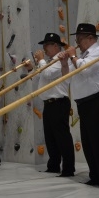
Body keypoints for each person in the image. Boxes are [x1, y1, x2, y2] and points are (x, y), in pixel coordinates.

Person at [62, 23, 99, 189]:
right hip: (84, 102)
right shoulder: (80, 56)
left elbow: (85, 70)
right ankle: (95, 175)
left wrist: (72, 56)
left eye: (80, 37)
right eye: (77, 37)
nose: (77, 41)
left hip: (97, 99)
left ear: (91, 38)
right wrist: (65, 62)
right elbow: (67, 78)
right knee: (88, 141)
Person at [26, 33, 75, 177]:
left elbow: (47, 74)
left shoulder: (61, 59)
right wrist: (30, 69)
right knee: (50, 137)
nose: (44, 48)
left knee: (62, 137)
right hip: (48, 103)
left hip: (59, 102)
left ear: (55, 46)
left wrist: (41, 60)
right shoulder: (47, 62)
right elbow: (38, 80)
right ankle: (53, 165)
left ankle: (68, 168)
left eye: (46, 45)